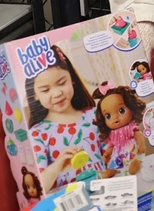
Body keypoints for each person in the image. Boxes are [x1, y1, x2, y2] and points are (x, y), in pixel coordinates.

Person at [27, 45, 107, 193]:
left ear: (72, 80)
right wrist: (57, 166)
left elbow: (113, 156)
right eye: (45, 90)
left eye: (62, 82)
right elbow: (38, 188)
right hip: (71, 205)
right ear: (34, 95)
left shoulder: (95, 114)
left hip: (107, 193)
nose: (57, 93)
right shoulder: (37, 134)